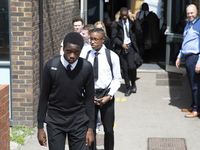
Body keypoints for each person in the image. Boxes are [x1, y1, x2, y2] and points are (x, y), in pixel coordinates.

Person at [37, 32, 95, 149]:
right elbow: (43, 98)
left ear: (81, 50)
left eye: (76, 52)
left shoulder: (86, 67)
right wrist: (40, 127)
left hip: (78, 120)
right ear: (63, 48)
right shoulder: (51, 66)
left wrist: (90, 128)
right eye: (68, 51)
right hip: (55, 121)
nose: (72, 56)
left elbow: (89, 100)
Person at [86, 28, 121, 150]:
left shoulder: (112, 56)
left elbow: (117, 79)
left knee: (109, 130)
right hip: (90, 95)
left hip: (106, 94)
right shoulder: (86, 56)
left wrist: (109, 95)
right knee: (90, 129)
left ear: (103, 40)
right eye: (91, 39)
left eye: (96, 39)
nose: (93, 42)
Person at [176, 4, 200, 118]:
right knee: (191, 83)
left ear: (197, 12)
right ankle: (192, 105)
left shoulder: (198, 25)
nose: (190, 15)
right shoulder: (189, 25)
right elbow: (185, 42)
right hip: (187, 57)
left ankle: (196, 109)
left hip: (195, 57)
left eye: (192, 13)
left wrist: (199, 62)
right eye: (188, 13)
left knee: (196, 85)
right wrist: (179, 56)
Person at [112, 7, 142, 97]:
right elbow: (113, 37)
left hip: (130, 47)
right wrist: (121, 44)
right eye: (123, 15)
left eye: (126, 15)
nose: (124, 17)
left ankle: (133, 84)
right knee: (124, 69)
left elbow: (139, 31)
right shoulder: (117, 24)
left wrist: (136, 20)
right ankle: (128, 88)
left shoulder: (131, 22)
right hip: (122, 48)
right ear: (120, 15)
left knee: (132, 67)